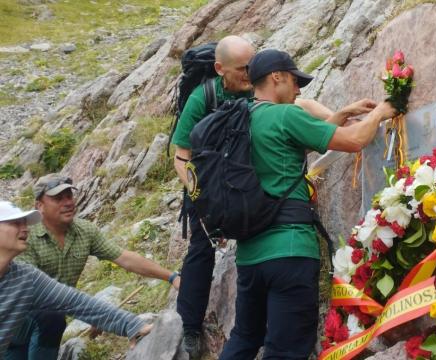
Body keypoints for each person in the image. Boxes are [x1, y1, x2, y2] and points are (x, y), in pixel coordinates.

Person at [217, 49, 397, 359]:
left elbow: (293, 144)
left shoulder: (240, 119)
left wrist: (340, 114)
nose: (299, 90)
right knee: (286, 351)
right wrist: (380, 112)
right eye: (295, 81)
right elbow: (354, 141)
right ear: (277, 77)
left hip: (249, 256)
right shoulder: (286, 115)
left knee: (244, 340)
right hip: (289, 251)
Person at [172, 35, 336, 359]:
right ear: (220, 69)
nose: (249, 74)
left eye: (252, 65)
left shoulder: (256, 89)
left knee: (246, 333)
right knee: (201, 250)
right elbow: (181, 156)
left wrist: (335, 118)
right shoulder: (201, 97)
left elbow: (300, 106)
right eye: (242, 69)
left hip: (247, 180)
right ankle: (190, 326)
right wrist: (201, 200)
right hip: (207, 184)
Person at [5, 173, 180, 360]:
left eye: (69, 196)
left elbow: (124, 259)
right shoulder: (22, 240)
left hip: (41, 326)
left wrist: (171, 277)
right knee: (50, 317)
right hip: (22, 320)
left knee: (50, 320)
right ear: (39, 205)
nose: (67, 202)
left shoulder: (83, 232)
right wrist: (94, 315)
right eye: (58, 198)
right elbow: (38, 298)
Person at [0, 200, 153, 355]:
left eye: (25, 223)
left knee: (52, 318)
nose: (25, 229)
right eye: (16, 223)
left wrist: (132, 325)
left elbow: (76, 302)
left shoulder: (26, 278)